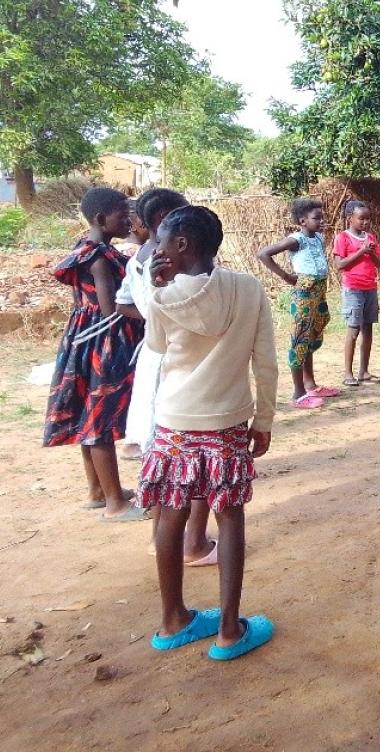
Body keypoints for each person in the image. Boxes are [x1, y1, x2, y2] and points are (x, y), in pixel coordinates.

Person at [138, 206, 278, 660]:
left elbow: (157, 347)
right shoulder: (248, 288)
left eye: (161, 241)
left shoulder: (160, 295)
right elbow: (266, 362)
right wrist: (264, 420)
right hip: (226, 421)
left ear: (183, 245)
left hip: (175, 419)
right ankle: (228, 631)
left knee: (171, 513)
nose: (156, 249)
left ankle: (172, 619)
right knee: (230, 517)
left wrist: (157, 288)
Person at [114, 188, 218, 566]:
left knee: (161, 456)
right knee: (200, 455)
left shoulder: (139, 260)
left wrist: (152, 312)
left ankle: (161, 538)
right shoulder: (180, 263)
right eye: (182, 214)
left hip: (155, 359)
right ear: (165, 223)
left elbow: (123, 304)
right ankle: (194, 543)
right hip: (185, 365)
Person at [43, 186, 146, 522]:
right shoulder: (99, 257)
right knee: (99, 420)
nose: (129, 219)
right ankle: (116, 504)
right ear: (102, 219)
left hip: (82, 340)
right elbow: (110, 309)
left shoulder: (86, 249)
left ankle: (98, 491)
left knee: (89, 415)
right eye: (123, 212)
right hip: (104, 342)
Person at [257, 197, 336, 408]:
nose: (321, 221)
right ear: (302, 221)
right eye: (316, 218)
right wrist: (286, 276)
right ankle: (298, 394)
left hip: (318, 291)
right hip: (304, 294)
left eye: (322, 217)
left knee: (310, 337)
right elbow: (263, 254)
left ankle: (310, 385)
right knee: (300, 339)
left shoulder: (318, 237)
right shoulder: (296, 240)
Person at [333, 200, 380, 386]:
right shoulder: (342, 238)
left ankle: (364, 371)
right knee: (353, 330)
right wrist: (361, 252)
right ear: (349, 219)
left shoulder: (370, 238)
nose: (365, 222)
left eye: (368, 219)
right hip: (353, 288)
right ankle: (348, 373)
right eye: (361, 218)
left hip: (370, 287)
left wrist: (371, 253)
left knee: (368, 329)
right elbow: (339, 265)